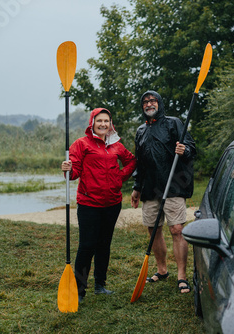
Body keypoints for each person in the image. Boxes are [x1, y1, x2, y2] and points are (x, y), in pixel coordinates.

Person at [61, 108, 136, 302]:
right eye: (99, 121)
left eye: (106, 121)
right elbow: (75, 172)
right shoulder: (81, 144)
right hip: (89, 204)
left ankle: (100, 285)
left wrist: (120, 177)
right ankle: (79, 290)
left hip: (112, 203)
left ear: (111, 124)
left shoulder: (116, 145)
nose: (103, 124)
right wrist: (68, 169)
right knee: (87, 246)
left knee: (104, 245)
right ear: (92, 123)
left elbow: (131, 161)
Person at [131, 90, 196, 294]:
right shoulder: (141, 131)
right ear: (142, 107)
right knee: (153, 229)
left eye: (153, 100)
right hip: (150, 188)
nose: (149, 104)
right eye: (145, 102)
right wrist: (136, 188)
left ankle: (182, 276)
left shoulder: (173, 123)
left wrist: (184, 150)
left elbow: (192, 148)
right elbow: (139, 163)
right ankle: (162, 270)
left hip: (173, 185)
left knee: (176, 229)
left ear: (159, 103)